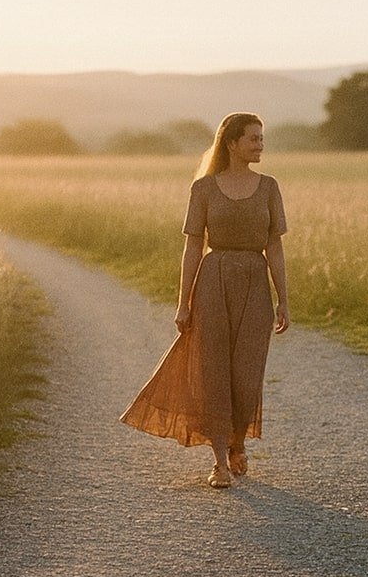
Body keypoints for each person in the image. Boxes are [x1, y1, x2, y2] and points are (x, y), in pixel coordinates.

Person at [121, 113, 290, 488]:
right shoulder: (204, 189)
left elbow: (275, 246)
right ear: (231, 143)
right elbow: (193, 246)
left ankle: (238, 442)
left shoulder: (269, 188)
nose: (260, 145)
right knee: (214, 372)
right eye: (253, 139)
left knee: (246, 376)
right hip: (213, 281)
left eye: (262, 139)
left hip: (255, 282)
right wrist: (184, 302)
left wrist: (283, 299)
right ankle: (219, 461)